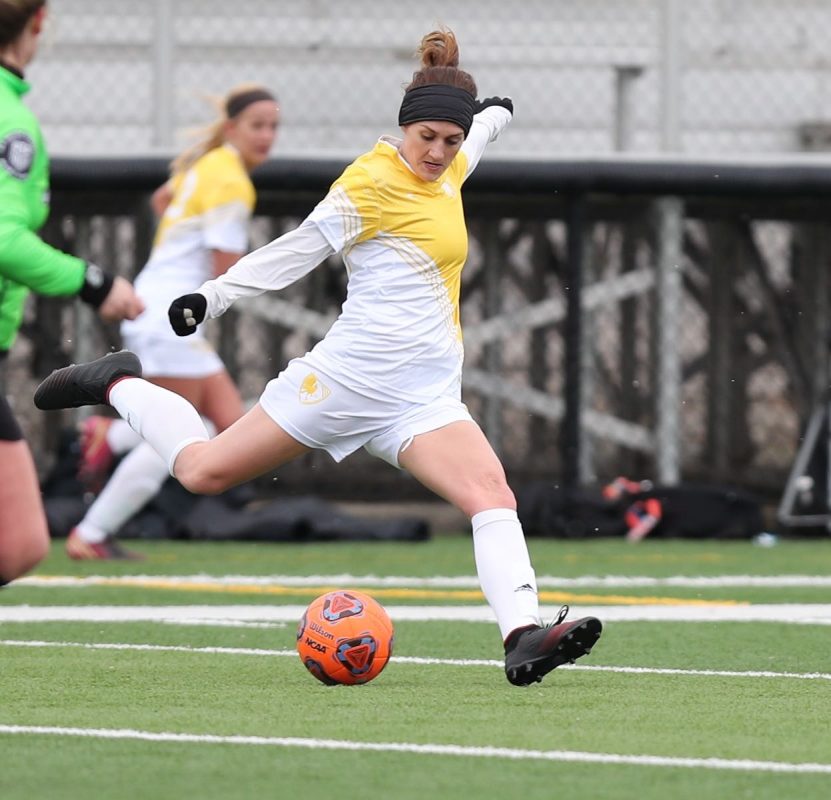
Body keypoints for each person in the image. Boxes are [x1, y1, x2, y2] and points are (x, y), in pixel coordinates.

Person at [34, 28, 603, 684]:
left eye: (450, 141)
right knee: (202, 471)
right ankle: (116, 386)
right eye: (427, 140)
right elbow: (296, 249)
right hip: (344, 382)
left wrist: (493, 118)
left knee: (489, 494)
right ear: (403, 130)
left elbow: (472, 143)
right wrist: (214, 297)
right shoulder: (369, 182)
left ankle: (522, 636)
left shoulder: (449, 168)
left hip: (421, 399)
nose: (439, 153)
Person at [66, 83, 280, 560]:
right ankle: (93, 531)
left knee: (214, 426)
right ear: (232, 129)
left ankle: (111, 440)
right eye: (257, 126)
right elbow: (229, 270)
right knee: (194, 433)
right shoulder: (231, 181)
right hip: (171, 316)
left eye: (273, 126)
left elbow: (163, 201)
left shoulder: (207, 164)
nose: (267, 136)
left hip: (160, 305)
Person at [0, 0, 144, 585]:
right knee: (19, 542)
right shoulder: (11, 120)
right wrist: (97, 283)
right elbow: (5, 237)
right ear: (38, 22)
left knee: (19, 544)